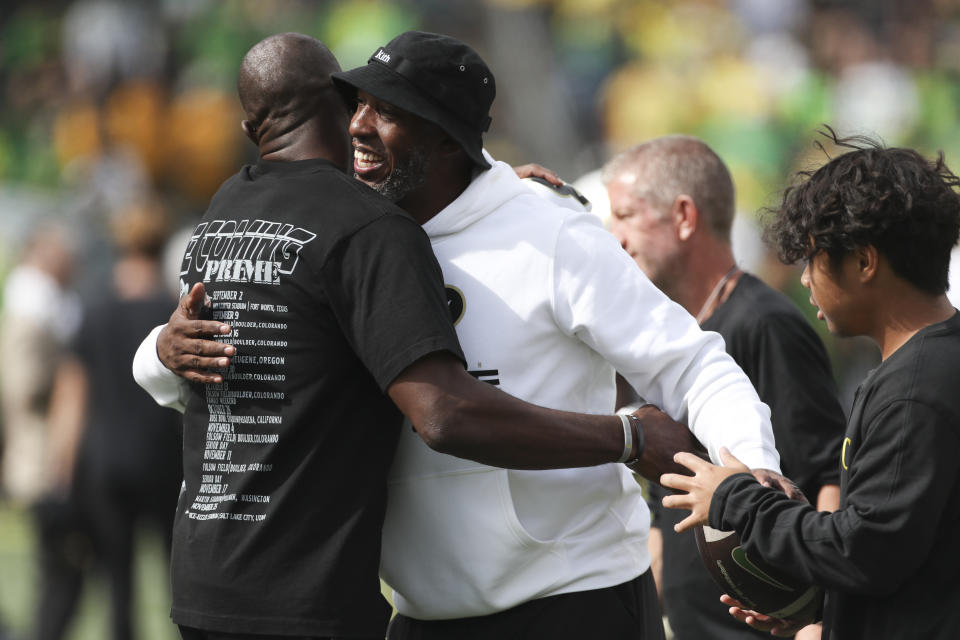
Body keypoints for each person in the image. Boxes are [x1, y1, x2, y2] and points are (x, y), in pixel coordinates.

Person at [132, 32, 696, 640]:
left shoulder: (226, 209)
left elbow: (186, 350)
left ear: (249, 131)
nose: (365, 125)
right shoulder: (366, 229)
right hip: (305, 592)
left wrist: (495, 195)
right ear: (345, 107)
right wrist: (630, 437)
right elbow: (445, 413)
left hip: (202, 578)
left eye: (387, 110)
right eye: (364, 106)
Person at [661, 131, 960, 639]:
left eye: (812, 260)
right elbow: (911, 553)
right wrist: (823, 611)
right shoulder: (926, 366)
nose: (804, 280)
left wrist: (736, 499)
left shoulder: (917, 390)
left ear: (864, 261)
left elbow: (866, 550)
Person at [603, 136, 846, 640]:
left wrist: (823, 620)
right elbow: (663, 514)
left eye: (625, 215)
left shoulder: (765, 323)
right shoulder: (664, 346)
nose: (613, 235)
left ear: (684, 216)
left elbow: (829, 477)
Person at [46, 201, 183, 640]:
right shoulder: (173, 311)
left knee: (118, 587)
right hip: (165, 459)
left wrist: (61, 473)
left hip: (106, 464)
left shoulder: (94, 309)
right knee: (178, 583)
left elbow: (71, 397)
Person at [0, 222, 83, 640]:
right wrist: (70, 382)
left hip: (46, 459)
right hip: (42, 461)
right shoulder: (33, 311)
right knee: (59, 572)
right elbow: (22, 385)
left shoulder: (43, 308)